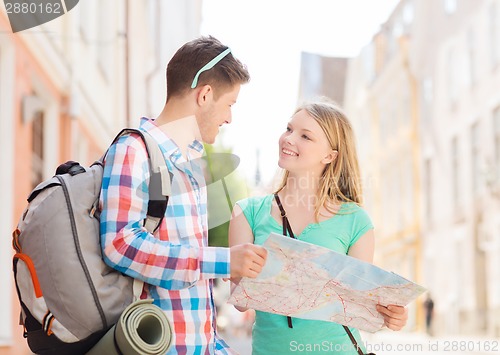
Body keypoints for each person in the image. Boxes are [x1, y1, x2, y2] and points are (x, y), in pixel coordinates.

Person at [99, 36, 267, 354]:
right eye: (229, 104)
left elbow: (190, 290)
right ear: (205, 95)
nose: (230, 117)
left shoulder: (190, 164)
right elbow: (120, 245)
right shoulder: (135, 150)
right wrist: (224, 260)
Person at [229, 99, 408, 354]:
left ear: (330, 156)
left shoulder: (355, 220)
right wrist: (238, 273)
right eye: (289, 129)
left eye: (305, 136)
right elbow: (240, 304)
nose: (289, 139)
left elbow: (358, 305)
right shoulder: (246, 212)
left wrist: (392, 315)